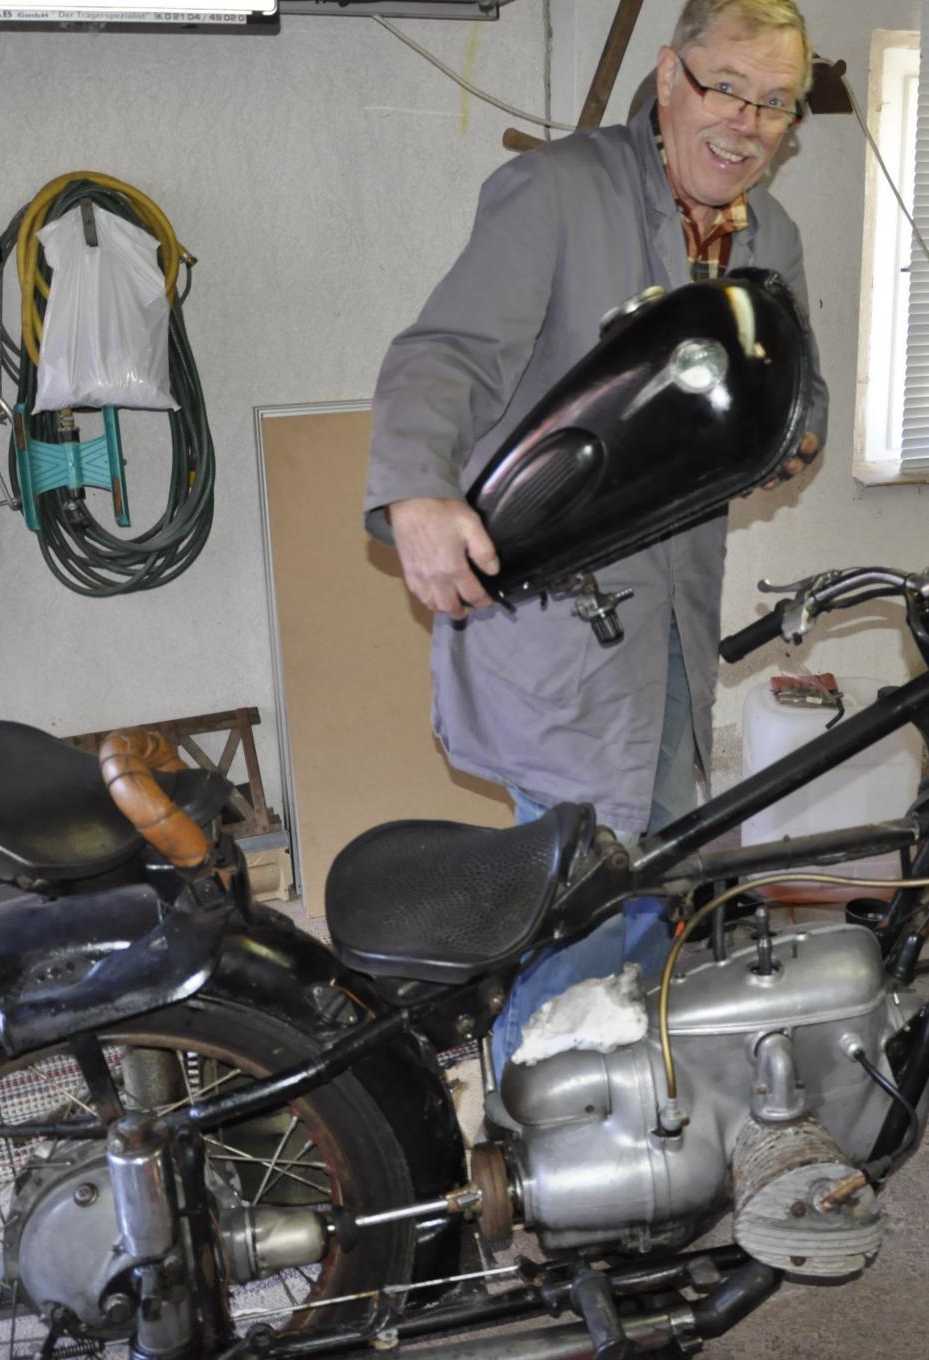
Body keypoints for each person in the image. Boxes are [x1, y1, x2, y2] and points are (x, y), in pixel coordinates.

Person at [363, 0, 829, 1065]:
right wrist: (416, 494)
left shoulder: (770, 237)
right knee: (572, 902)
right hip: (553, 620)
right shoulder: (558, 192)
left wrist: (795, 436)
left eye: (775, 104)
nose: (747, 123)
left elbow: (802, 391)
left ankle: (627, 1106)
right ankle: (534, 1113)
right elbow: (444, 353)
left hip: (674, 622)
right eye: (725, 88)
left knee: (654, 872)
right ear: (667, 79)